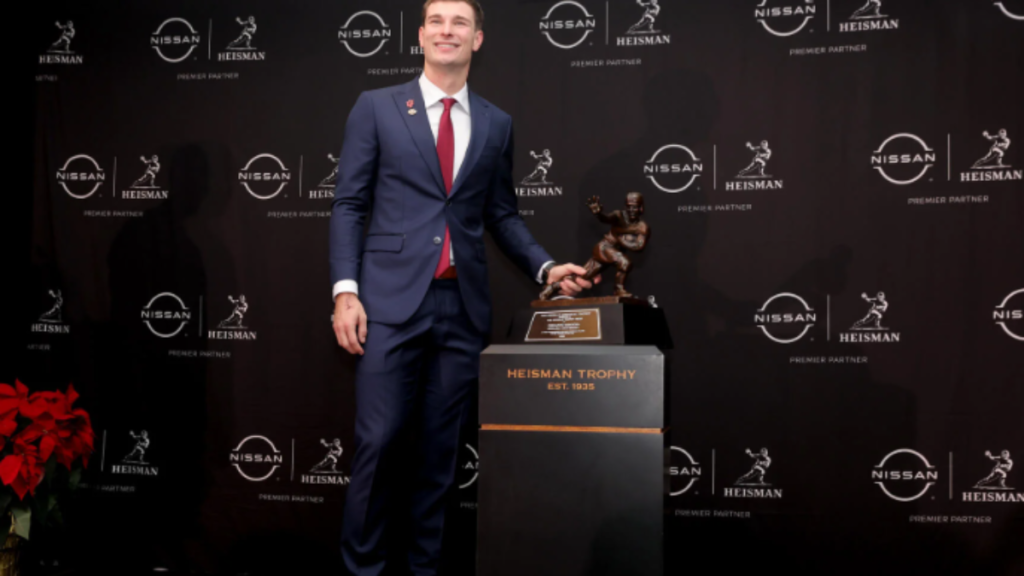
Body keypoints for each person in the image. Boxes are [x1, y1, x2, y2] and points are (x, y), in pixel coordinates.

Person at [328, 1, 595, 574]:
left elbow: (501, 214)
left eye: (460, 23)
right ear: (421, 35)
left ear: (477, 40)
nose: (447, 30)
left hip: (462, 309)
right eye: (437, 21)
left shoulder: (497, 123)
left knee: (440, 458)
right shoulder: (376, 107)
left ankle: (424, 569)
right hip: (387, 306)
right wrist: (345, 291)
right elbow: (349, 203)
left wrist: (547, 268)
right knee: (379, 445)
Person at [539, 192, 649, 300]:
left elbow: (638, 246)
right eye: (629, 207)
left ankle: (552, 287)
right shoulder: (619, 215)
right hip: (604, 248)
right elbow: (606, 218)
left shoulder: (642, 227)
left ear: (641, 208)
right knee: (625, 263)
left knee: (582, 277)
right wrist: (598, 214)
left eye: (634, 207)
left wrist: (621, 240)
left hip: (613, 252)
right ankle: (618, 289)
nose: (631, 210)